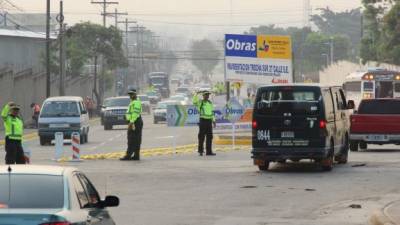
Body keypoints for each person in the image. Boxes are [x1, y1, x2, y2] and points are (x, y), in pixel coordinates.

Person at [120, 89, 143, 161]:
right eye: (130, 94)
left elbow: (135, 113)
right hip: (135, 121)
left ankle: (128, 155)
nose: (130, 95)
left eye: (132, 94)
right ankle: (136, 155)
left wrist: (131, 122)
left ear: (135, 94)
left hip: (135, 122)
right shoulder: (133, 102)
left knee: (131, 139)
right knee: (136, 139)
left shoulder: (136, 102)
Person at [193, 90, 216, 156]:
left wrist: (214, 120)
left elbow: (212, 112)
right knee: (201, 136)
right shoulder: (200, 102)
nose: (207, 96)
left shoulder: (210, 103)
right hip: (203, 120)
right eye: (206, 95)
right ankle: (200, 151)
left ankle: (209, 152)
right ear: (203, 96)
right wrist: (196, 93)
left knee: (210, 137)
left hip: (209, 121)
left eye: (208, 95)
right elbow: (194, 101)